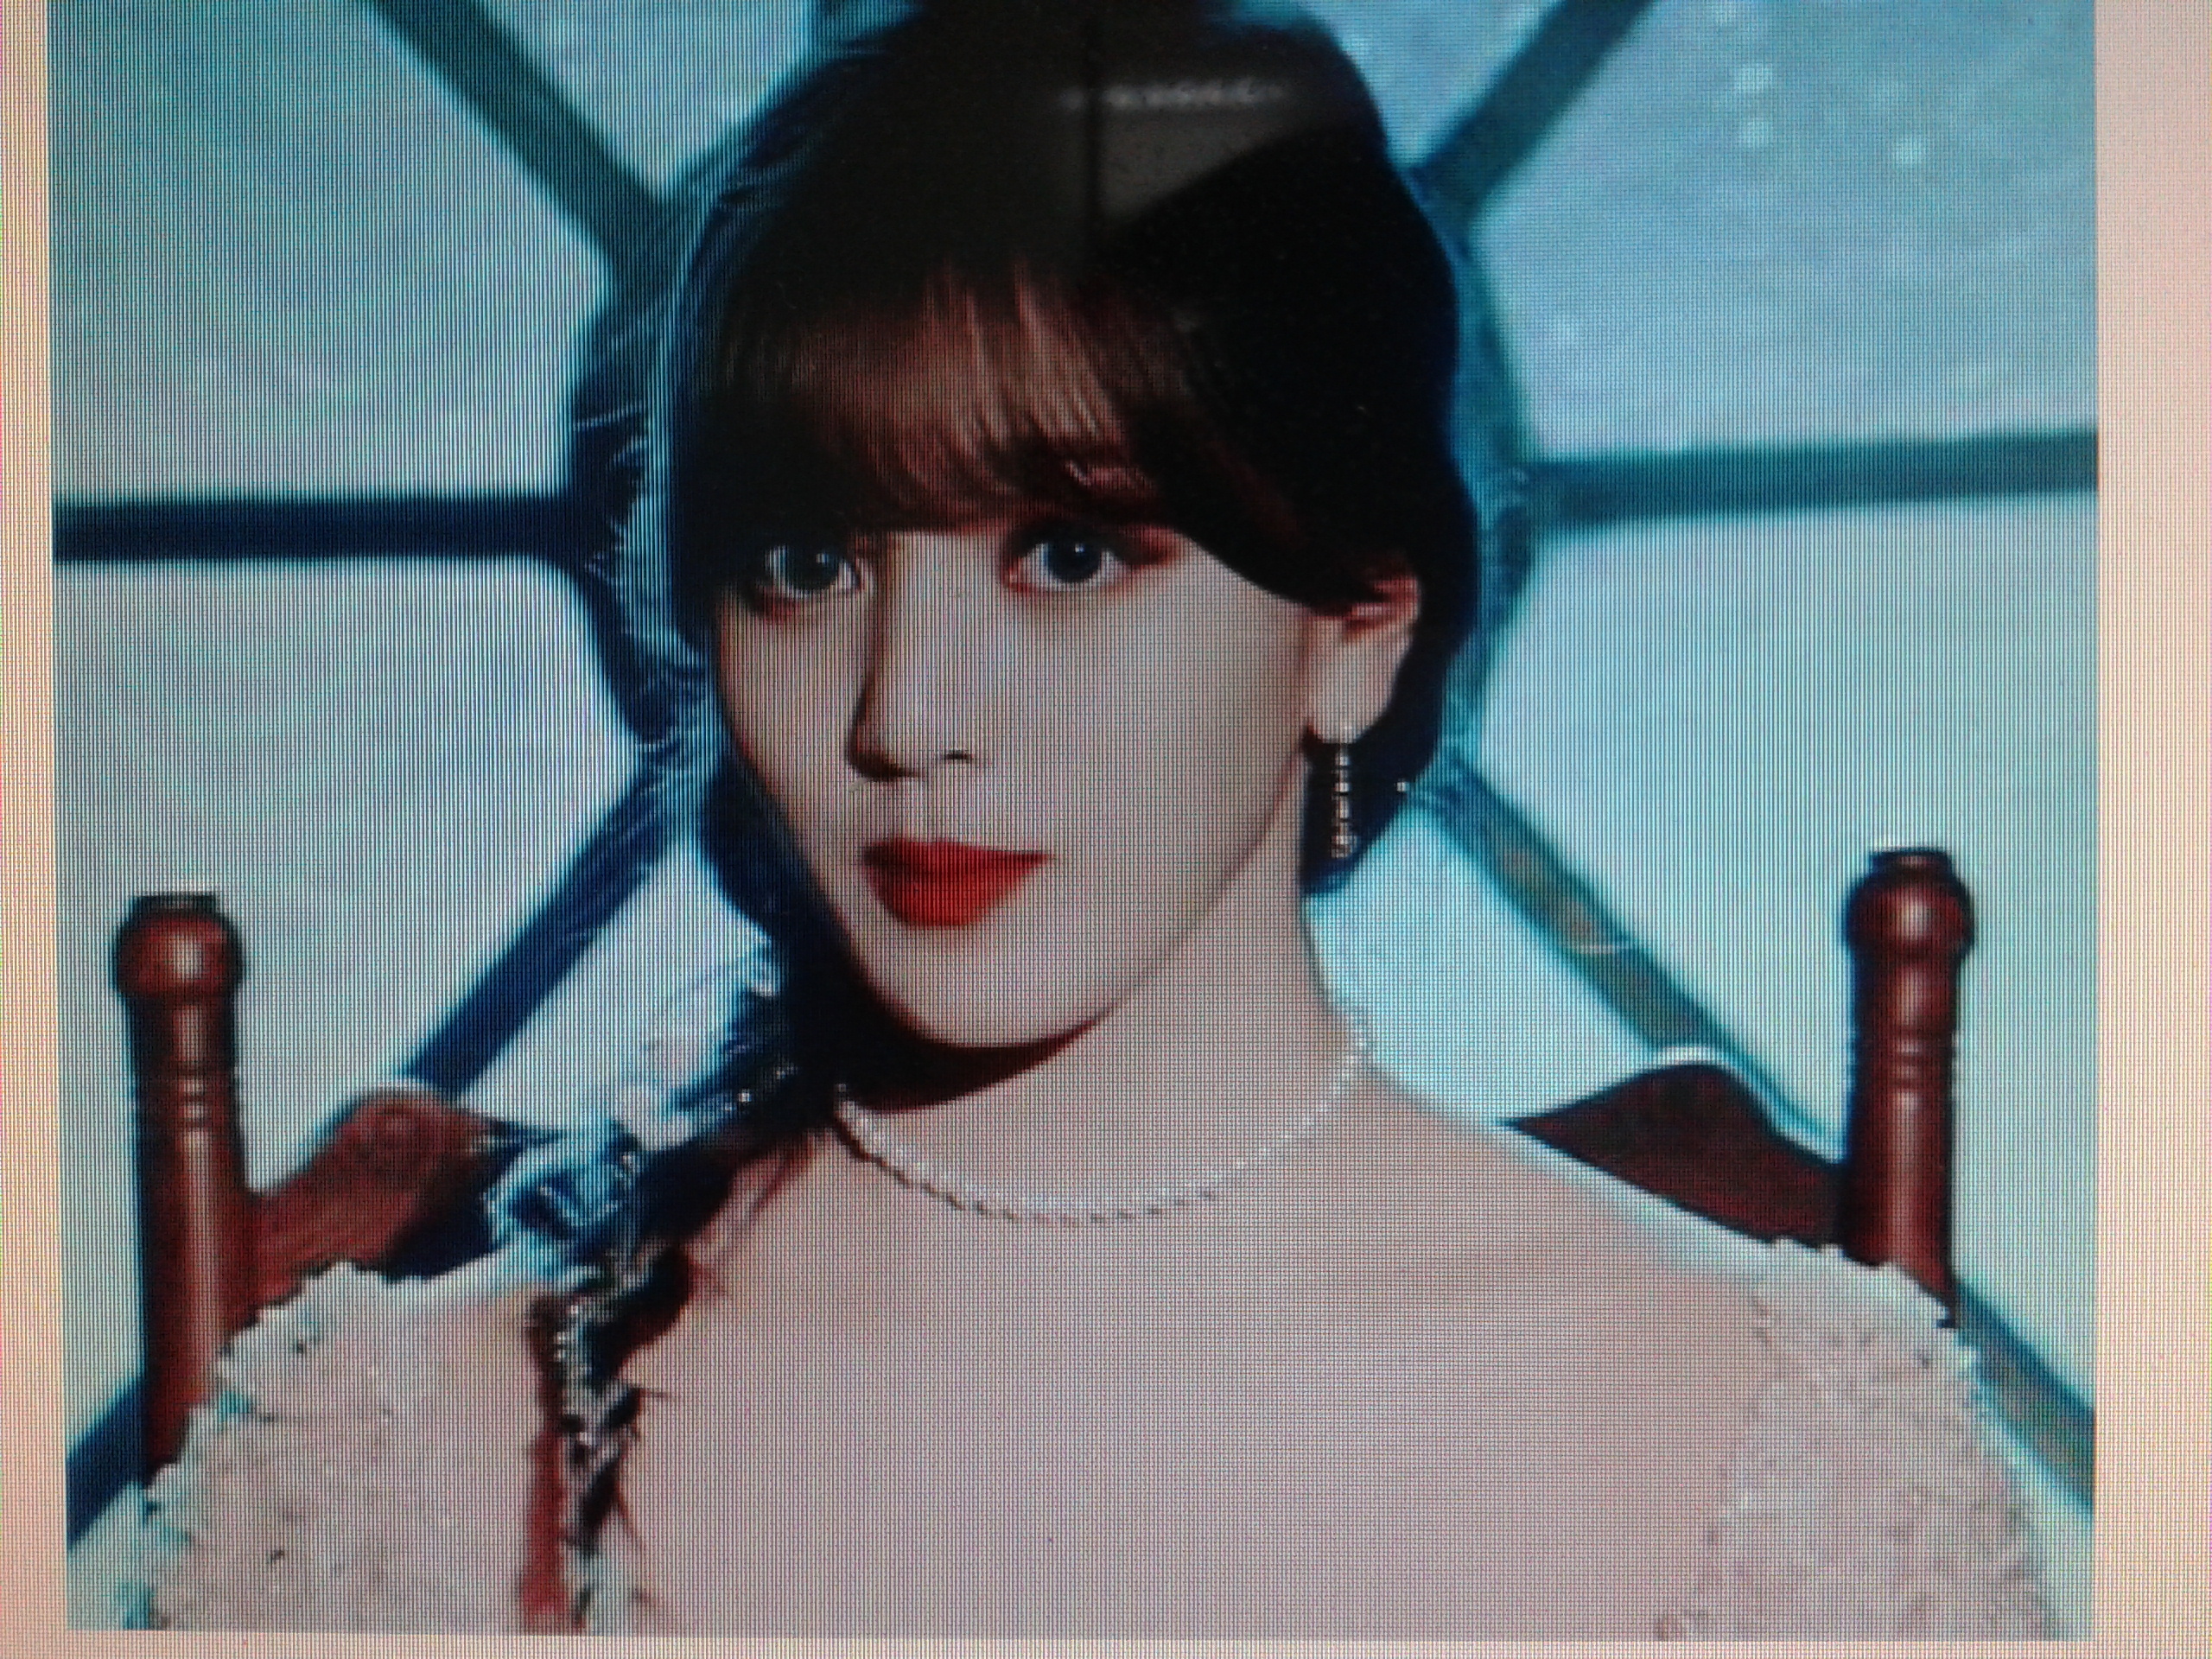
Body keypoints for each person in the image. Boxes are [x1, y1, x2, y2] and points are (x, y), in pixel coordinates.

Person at [134, 0, 2050, 1637]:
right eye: (805, 564)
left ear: (1356, 630)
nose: (906, 718)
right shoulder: (395, 1448)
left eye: (1066, 553)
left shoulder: (1763, 1426)